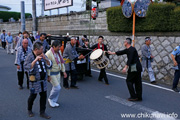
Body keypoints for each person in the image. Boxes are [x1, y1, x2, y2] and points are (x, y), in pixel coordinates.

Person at [24, 42, 52, 119]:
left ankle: (42, 112)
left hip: (43, 80)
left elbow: (50, 66)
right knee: (33, 96)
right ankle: (29, 109)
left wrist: (46, 59)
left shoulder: (43, 55)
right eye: (42, 49)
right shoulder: (30, 56)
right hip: (34, 81)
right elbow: (26, 67)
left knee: (43, 96)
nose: (43, 50)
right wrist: (35, 60)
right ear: (36, 49)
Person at [46, 40, 67, 108]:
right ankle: (50, 99)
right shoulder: (48, 54)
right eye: (58, 47)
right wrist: (48, 76)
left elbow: (61, 62)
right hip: (52, 73)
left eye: (60, 47)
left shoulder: (59, 52)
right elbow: (47, 65)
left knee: (57, 88)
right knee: (57, 87)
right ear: (53, 47)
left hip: (58, 72)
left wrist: (63, 71)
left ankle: (54, 101)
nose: (59, 48)